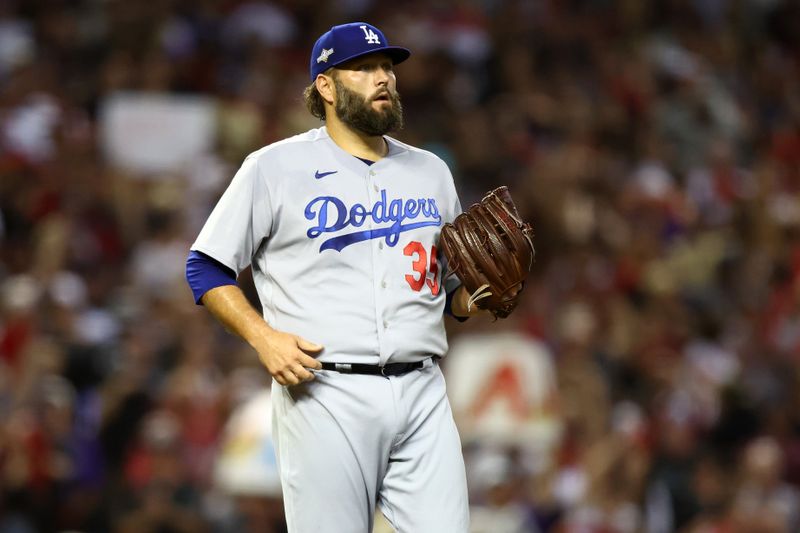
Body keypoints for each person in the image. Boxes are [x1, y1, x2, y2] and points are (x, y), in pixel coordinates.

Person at [186, 22, 483, 532]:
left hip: (423, 387)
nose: (383, 78)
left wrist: (475, 300)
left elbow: (448, 289)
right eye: (364, 68)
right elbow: (205, 266)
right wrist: (263, 338)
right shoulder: (275, 167)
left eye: (387, 66)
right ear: (326, 86)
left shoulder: (431, 171)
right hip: (326, 391)